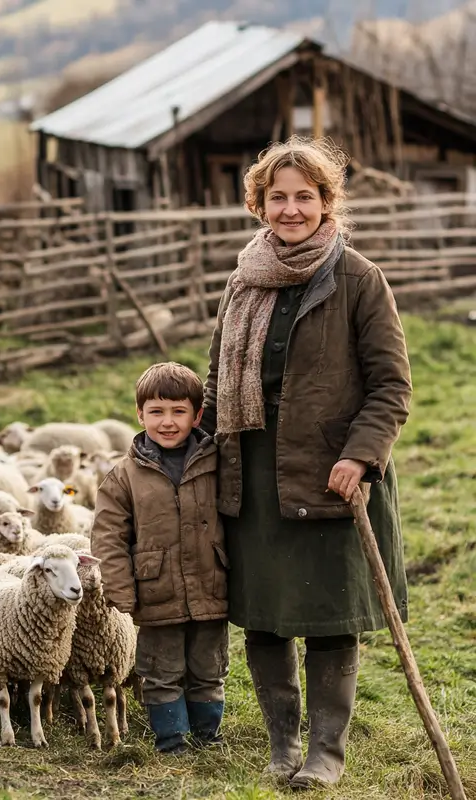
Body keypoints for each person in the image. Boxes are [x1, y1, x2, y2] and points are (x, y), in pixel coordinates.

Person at [202, 136, 412, 789]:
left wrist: (360, 456)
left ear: (326, 203)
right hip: (253, 474)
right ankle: (281, 746)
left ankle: (325, 753)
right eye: (277, 197)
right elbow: (216, 382)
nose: (290, 209)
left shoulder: (358, 280)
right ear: (258, 204)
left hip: (331, 475)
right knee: (265, 615)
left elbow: (391, 387)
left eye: (304, 197)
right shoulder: (243, 281)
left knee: (328, 619)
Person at [91, 362, 229, 754]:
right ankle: (171, 741)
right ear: (140, 414)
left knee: (208, 669)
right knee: (161, 671)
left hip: (210, 585)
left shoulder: (216, 463)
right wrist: (121, 590)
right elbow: (108, 537)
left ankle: (208, 736)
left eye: (178, 411)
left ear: (197, 415)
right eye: (156, 412)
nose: (167, 422)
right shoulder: (124, 476)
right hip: (155, 591)